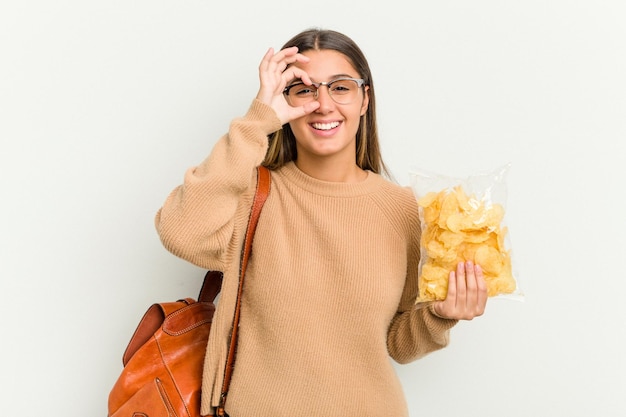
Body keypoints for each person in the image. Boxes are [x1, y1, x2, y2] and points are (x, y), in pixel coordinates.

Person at [155, 28, 488, 417]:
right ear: (285, 100)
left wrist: (439, 316)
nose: (323, 104)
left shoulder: (403, 211)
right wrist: (257, 121)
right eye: (305, 89)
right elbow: (181, 232)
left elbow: (399, 342)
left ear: (365, 99)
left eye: (341, 87)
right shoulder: (252, 195)